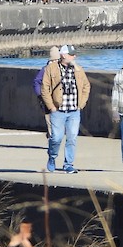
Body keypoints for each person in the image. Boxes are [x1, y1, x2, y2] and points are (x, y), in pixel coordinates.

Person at [40, 44, 90, 173]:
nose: (74, 57)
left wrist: (81, 104)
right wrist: (51, 107)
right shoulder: (51, 69)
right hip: (58, 110)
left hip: (74, 110)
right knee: (56, 138)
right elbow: (44, 88)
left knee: (72, 138)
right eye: (71, 55)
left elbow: (86, 86)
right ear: (63, 55)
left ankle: (68, 164)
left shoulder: (78, 69)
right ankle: (52, 156)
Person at [33, 46, 61, 136]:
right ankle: (52, 137)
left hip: (57, 99)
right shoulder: (45, 69)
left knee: (56, 122)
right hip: (47, 100)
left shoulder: (60, 68)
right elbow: (37, 82)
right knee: (50, 121)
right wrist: (40, 95)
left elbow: (36, 82)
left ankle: (52, 136)